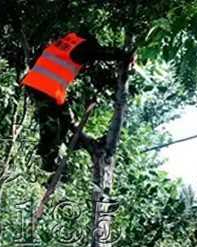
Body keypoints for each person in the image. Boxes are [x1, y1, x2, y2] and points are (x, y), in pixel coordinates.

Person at [22, 31, 132, 172]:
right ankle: (48, 159)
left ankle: (71, 143)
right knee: (51, 126)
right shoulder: (82, 47)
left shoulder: (65, 43)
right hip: (42, 88)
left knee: (66, 118)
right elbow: (99, 52)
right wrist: (124, 56)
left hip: (48, 88)